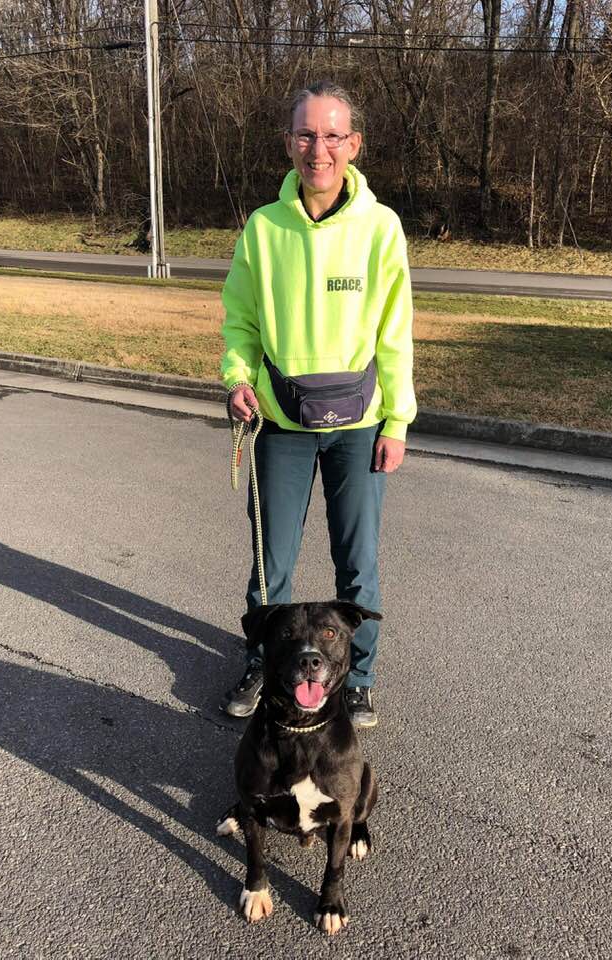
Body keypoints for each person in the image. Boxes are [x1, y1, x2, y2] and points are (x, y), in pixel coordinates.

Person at [219, 80, 416, 728]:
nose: (319, 148)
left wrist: (398, 420)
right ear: (290, 143)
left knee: (356, 565)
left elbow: (395, 331)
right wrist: (237, 378)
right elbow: (241, 319)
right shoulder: (263, 228)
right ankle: (262, 663)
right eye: (307, 134)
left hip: (360, 429)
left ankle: (357, 680)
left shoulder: (380, 230)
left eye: (333, 135)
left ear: (353, 145)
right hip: (282, 424)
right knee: (270, 565)